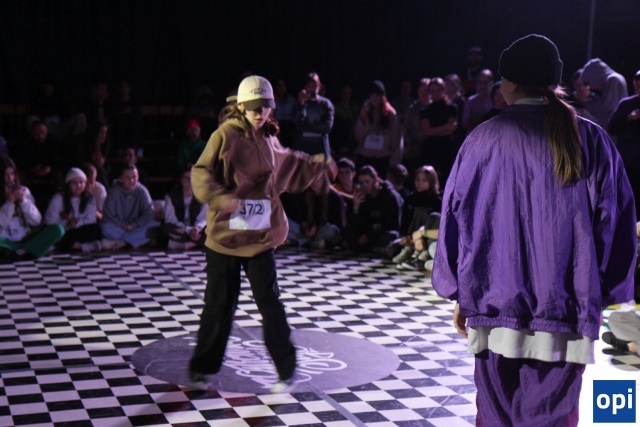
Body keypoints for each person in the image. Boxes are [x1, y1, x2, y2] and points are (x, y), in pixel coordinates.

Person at [432, 34, 636, 426]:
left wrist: (458, 291)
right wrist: (602, 292)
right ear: (554, 82)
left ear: (508, 84)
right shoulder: (590, 139)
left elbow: (455, 220)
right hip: (565, 312)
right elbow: (617, 223)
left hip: (493, 308)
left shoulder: (481, 140)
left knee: (495, 418)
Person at [188, 75, 337, 392]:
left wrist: (317, 165)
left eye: (265, 107)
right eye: (254, 107)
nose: (260, 113)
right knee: (219, 305)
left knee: (270, 303)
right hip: (226, 239)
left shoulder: (268, 135)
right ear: (241, 106)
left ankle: (287, 368)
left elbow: (286, 164)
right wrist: (219, 197)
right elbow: (201, 172)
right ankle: (202, 367)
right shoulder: (225, 135)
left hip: (259, 238)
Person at [0, 156, 65, 261]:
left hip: (25, 238)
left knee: (59, 230)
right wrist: (10, 202)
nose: (10, 178)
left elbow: (36, 221)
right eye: (5, 175)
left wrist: (23, 201)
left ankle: (18, 252)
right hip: (4, 240)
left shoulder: (24, 191)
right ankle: (24, 251)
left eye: (12, 174)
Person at [342, 165, 403, 257]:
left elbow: (393, 224)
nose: (364, 185)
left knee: (391, 235)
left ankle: (374, 248)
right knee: (347, 232)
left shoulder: (390, 196)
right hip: (368, 231)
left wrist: (369, 236)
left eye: (367, 182)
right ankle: (372, 248)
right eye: (361, 183)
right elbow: (357, 223)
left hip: (382, 231)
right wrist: (356, 207)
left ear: (375, 180)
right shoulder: (363, 196)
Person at [392, 165, 442, 268]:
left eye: (424, 180)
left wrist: (419, 236)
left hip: (426, 236)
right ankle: (409, 248)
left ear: (431, 181)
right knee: (391, 247)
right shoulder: (410, 199)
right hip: (410, 235)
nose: (420, 183)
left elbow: (435, 224)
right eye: (418, 179)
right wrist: (405, 235)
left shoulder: (437, 201)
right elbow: (405, 220)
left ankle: (417, 253)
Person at [101, 163, 159, 250]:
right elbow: (108, 215)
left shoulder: (142, 191)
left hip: (136, 227)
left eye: (134, 177)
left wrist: (133, 225)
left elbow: (149, 214)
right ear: (121, 178)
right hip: (119, 227)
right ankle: (138, 240)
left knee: (154, 225)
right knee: (105, 228)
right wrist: (122, 225)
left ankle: (122, 242)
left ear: (138, 177)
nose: (131, 180)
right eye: (127, 177)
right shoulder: (114, 191)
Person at [44, 167, 102, 253]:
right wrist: (67, 224)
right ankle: (80, 246)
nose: (78, 186)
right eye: (74, 183)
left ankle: (71, 245)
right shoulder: (58, 198)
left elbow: (91, 220)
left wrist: (77, 223)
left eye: (81, 182)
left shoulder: (89, 198)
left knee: (95, 230)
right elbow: (49, 221)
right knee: (56, 234)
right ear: (68, 184)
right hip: (64, 230)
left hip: (79, 230)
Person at [354, 80, 403, 178]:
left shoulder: (391, 115)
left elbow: (397, 140)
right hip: (364, 157)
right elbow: (357, 137)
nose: (375, 98)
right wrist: (362, 117)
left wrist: (394, 162)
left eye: (378, 95)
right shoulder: (364, 112)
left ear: (382, 96)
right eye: (372, 95)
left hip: (383, 160)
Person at [607, 70, 640, 217]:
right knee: (628, 198)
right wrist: (628, 118)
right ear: (635, 85)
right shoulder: (626, 104)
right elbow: (612, 128)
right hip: (628, 161)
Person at [162, 166, 207, 250]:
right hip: (181, 230)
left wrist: (196, 229)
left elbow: (203, 219)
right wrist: (189, 230)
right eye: (187, 179)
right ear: (181, 180)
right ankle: (196, 243)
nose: (190, 182)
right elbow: (170, 220)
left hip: (197, 231)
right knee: (166, 228)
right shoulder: (171, 196)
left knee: (212, 230)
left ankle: (183, 244)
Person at [292, 72, 335, 157]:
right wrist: (301, 104)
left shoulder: (326, 104)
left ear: (319, 86)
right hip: (302, 147)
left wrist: (307, 127)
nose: (312, 89)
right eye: (309, 86)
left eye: (314, 86)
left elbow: (327, 127)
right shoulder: (299, 103)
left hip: (320, 147)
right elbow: (297, 123)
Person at [580, 58, 628, 129]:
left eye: (589, 83)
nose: (591, 87)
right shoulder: (614, 79)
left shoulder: (613, 79)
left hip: (612, 127)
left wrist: (588, 107)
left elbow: (608, 107)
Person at [461, 69, 494, 133]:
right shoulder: (471, 101)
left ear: (492, 83)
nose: (483, 85)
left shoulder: (497, 100)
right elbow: (465, 124)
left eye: (486, 82)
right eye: (480, 82)